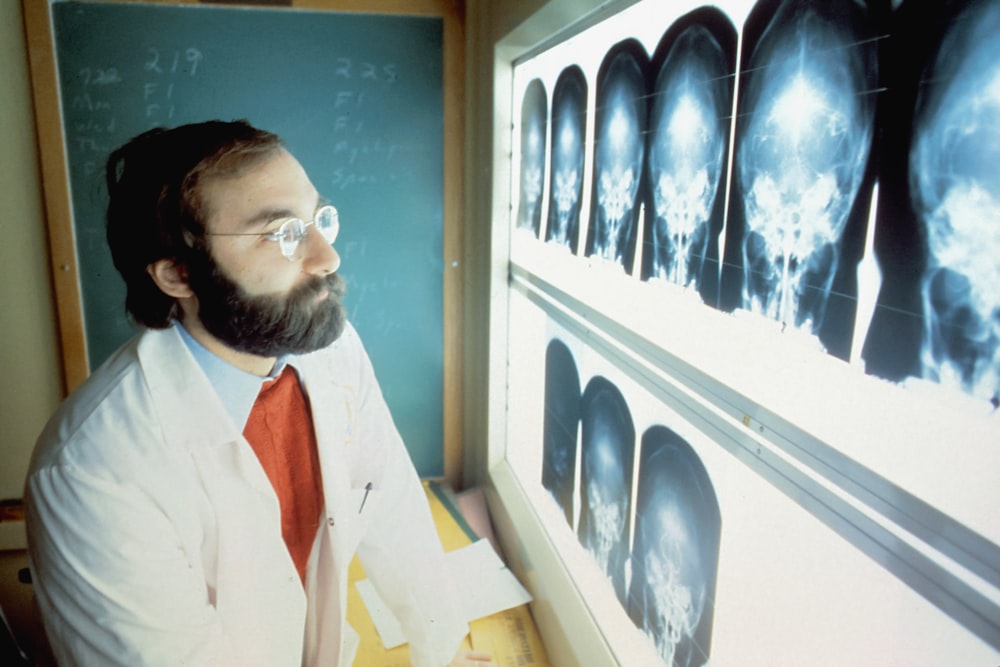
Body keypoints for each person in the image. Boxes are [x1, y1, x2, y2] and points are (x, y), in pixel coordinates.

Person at [24, 120, 492, 667]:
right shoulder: (93, 472)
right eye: (282, 234)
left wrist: (445, 649)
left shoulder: (325, 347)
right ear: (178, 275)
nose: (327, 258)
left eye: (319, 219)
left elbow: (388, 497)